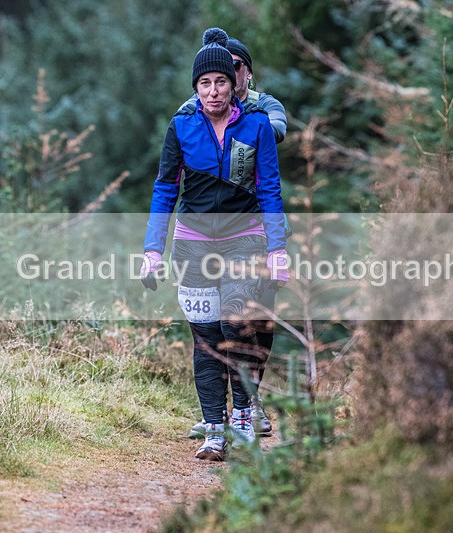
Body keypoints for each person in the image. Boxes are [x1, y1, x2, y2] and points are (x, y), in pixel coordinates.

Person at [140, 28, 289, 461]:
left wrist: (277, 249)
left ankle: (242, 415)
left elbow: (270, 189)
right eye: (204, 83)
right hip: (192, 242)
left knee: (235, 323)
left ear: (235, 83)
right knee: (205, 337)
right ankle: (213, 429)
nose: (213, 90)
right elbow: (165, 188)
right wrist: (153, 249)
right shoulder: (181, 126)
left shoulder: (258, 125)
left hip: (245, 236)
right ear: (196, 88)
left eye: (221, 81)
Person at [176, 35, 288, 440]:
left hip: (259, 226)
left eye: (234, 66)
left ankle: (250, 404)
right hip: (206, 233)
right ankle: (217, 415)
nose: (227, 74)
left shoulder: (264, 106)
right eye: (212, 75)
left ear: (246, 72)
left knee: (255, 320)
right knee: (216, 325)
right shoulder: (195, 108)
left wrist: (243, 126)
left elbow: (278, 130)